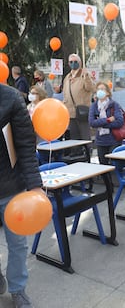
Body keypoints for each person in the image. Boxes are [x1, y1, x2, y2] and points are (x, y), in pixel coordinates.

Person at [0, 83, 43, 308]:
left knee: (17, 243)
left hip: (10, 188)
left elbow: (26, 146)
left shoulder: (10, 98)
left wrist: (35, 186)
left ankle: (18, 289)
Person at [62, 54, 95, 147]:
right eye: (71, 62)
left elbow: (91, 88)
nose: (73, 64)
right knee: (74, 137)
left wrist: (86, 77)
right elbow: (65, 93)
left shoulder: (85, 75)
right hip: (70, 113)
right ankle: (77, 155)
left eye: (75, 62)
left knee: (85, 136)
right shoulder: (67, 77)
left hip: (82, 111)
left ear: (80, 63)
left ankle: (88, 153)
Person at [88, 81, 123, 165]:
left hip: (113, 140)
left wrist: (100, 123)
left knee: (114, 165)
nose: (100, 91)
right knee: (103, 165)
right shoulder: (94, 106)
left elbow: (119, 122)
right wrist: (107, 120)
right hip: (100, 141)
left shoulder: (114, 105)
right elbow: (92, 123)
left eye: (102, 89)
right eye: (98, 89)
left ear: (107, 92)